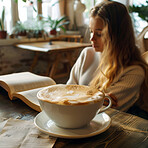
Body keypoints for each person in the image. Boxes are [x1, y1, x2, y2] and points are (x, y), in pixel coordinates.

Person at [66, 1, 148, 118]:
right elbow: (67, 92)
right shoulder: (87, 54)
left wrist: (79, 95)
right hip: (74, 118)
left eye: (99, 34)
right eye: (91, 31)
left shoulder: (134, 71)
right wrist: (96, 98)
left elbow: (103, 111)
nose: (92, 38)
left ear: (118, 36)